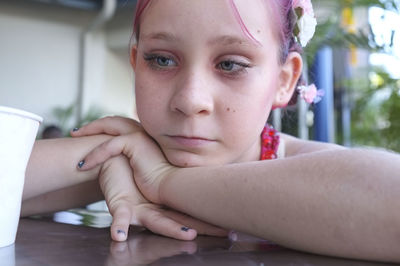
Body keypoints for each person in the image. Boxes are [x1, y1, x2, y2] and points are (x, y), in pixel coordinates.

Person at [22, 0, 400, 263]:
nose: (190, 100)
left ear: (284, 81)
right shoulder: (130, 161)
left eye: (231, 64)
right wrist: (108, 152)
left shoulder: (297, 163)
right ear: (136, 64)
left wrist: (165, 181)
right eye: (162, 59)